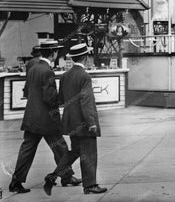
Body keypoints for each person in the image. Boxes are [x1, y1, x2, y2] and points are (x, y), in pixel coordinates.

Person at [9, 40, 80, 194]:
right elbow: (49, 98)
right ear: (54, 52)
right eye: (57, 51)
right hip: (47, 120)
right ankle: (67, 177)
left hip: (31, 118)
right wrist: (63, 99)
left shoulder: (33, 68)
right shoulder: (48, 71)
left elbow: (27, 91)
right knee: (60, 147)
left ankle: (16, 181)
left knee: (27, 150)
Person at [43, 43, 107, 196]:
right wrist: (91, 122)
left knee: (75, 151)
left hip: (71, 122)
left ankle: (53, 176)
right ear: (85, 57)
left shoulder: (65, 75)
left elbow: (61, 99)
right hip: (84, 122)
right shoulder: (84, 76)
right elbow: (86, 101)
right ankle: (90, 185)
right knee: (89, 153)